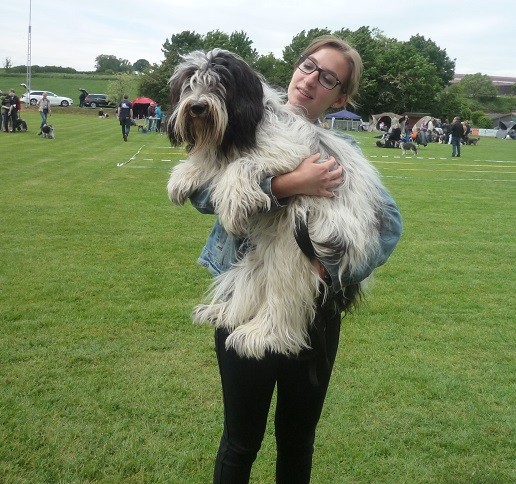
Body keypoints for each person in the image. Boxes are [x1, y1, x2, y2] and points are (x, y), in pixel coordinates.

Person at [187, 36, 402, 483]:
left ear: (340, 97)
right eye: (308, 65)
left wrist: (332, 267)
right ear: (295, 67)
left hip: (314, 306)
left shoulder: (346, 151)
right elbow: (206, 194)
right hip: (241, 298)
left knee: (297, 437)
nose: (311, 80)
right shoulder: (245, 118)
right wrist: (289, 184)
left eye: (329, 79)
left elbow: (390, 225)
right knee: (240, 440)